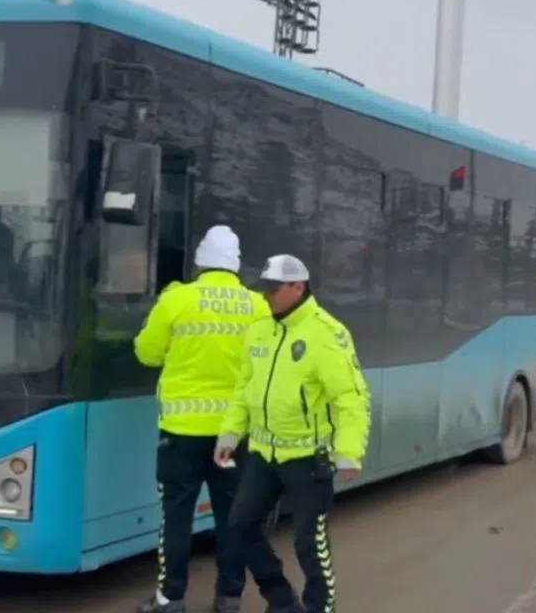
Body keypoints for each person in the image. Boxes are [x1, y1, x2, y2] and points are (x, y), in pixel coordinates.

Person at [215, 254, 371, 613]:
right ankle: (281, 599)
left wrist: (349, 450)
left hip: (308, 459)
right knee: (239, 527)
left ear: (298, 287)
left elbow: (351, 397)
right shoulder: (259, 330)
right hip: (263, 454)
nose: (267, 296)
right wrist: (230, 434)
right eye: (265, 289)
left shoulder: (326, 333)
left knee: (308, 544)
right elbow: (244, 388)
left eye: (274, 290)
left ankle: (319, 607)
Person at [133, 225, 271, 613]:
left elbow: (147, 352)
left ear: (200, 263)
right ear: (236, 265)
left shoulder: (177, 300)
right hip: (234, 436)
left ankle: (170, 598)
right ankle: (229, 597)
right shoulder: (257, 307)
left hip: (181, 434)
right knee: (233, 515)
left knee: (176, 515)